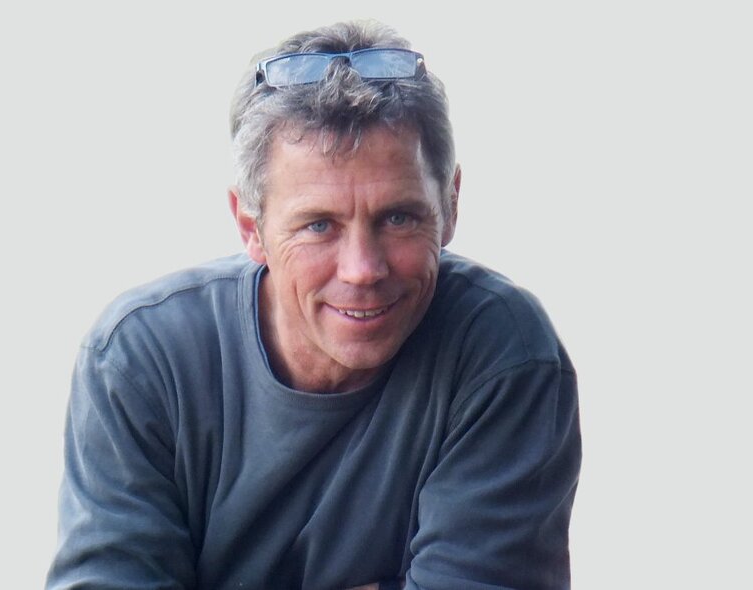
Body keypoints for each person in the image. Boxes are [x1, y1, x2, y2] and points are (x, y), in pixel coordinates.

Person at [46, 20, 581, 590]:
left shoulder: (504, 355)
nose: (362, 270)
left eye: (398, 217)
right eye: (319, 225)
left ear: (449, 206)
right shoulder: (141, 359)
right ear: (251, 227)